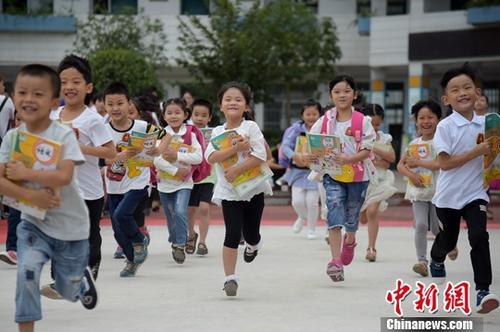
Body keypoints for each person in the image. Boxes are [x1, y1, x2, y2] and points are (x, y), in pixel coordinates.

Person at [0, 64, 98, 332]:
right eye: (22, 92)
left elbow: (64, 176)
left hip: (71, 229)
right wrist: (31, 195)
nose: (28, 99)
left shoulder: (63, 135)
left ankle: (80, 284)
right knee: (26, 275)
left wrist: (26, 172)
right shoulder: (11, 138)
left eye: (38, 94)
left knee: (67, 290)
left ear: (54, 102)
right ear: (13, 97)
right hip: (34, 226)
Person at [430, 63, 498, 314]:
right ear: (446, 98)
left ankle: (483, 291)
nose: (463, 93)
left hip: (475, 193)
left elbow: (494, 154)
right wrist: (477, 152)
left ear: (478, 93)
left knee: (479, 236)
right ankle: (436, 257)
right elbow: (444, 164)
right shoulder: (445, 127)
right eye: (456, 89)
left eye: (467, 87)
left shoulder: (489, 124)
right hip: (447, 197)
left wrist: (491, 166)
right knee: (448, 241)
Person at [48, 54, 116, 281]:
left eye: (75, 82)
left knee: (88, 234)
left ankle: (89, 268)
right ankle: (60, 278)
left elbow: (110, 153)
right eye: (64, 81)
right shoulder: (52, 116)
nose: (69, 87)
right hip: (60, 189)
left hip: (88, 190)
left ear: (88, 87)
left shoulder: (92, 119)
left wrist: (79, 147)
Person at [206, 82, 273, 296]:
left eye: (238, 99)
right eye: (228, 99)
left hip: (253, 188)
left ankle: (254, 245)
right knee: (232, 233)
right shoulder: (217, 131)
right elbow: (210, 157)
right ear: (221, 106)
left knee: (251, 234)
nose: (232, 102)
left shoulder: (250, 128)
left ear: (246, 106)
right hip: (229, 191)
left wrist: (237, 169)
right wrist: (235, 148)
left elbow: (262, 156)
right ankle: (230, 278)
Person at [309, 75, 376, 282]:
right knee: (334, 210)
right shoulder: (325, 121)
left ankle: (351, 239)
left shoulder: (363, 121)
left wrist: (349, 159)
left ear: (355, 95)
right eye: (337, 92)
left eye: (347, 91)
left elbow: (368, 148)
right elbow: (313, 141)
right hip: (333, 176)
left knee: (352, 216)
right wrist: (311, 155)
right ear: (331, 96)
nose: (342, 95)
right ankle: (335, 261)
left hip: (358, 176)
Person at [103, 82, 170, 277]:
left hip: (138, 182)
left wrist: (158, 150)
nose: (115, 108)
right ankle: (132, 259)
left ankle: (140, 240)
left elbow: (165, 136)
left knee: (121, 215)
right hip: (114, 184)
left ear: (128, 104)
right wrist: (122, 155)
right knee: (117, 231)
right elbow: (104, 159)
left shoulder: (141, 126)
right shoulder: (103, 130)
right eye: (110, 104)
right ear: (105, 106)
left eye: (120, 103)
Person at [397, 100, 458, 277]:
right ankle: (422, 261)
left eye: (430, 117)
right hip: (419, 191)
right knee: (421, 225)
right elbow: (401, 165)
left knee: (438, 228)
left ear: (438, 119)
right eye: (421, 117)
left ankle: (450, 243)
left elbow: (441, 164)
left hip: (440, 190)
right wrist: (411, 175)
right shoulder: (413, 143)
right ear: (415, 121)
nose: (426, 121)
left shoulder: (442, 141)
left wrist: (418, 163)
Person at [155, 98, 203, 263]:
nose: (173, 116)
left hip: (185, 183)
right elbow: (156, 159)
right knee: (171, 217)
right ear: (164, 115)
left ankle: (180, 244)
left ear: (185, 115)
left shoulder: (190, 133)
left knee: (181, 211)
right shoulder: (160, 134)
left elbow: (198, 157)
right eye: (169, 113)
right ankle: (175, 238)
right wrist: (176, 171)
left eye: (177, 112)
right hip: (164, 184)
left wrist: (177, 156)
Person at [359, 104, 397, 262]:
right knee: (362, 218)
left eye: (377, 124)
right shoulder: (356, 136)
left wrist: (371, 146)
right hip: (361, 180)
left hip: (380, 180)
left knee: (373, 211)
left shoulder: (384, 138)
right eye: (371, 124)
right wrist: (380, 158)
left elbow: (391, 158)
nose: (374, 127)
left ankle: (371, 248)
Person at [280, 99, 322, 239]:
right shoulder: (295, 130)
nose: (311, 117)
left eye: (314, 114)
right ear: (302, 115)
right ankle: (302, 217)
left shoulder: (323, 129)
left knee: (312, 202)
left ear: (319, 115)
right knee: (297, 201)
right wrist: (295, 156)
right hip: (297, 171)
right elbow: (285, 146)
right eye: (308, 114)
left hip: (315, 171)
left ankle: (312, 229)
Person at [186, 98, 215, 255]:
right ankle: (191, 236)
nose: (199, 118)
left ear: (209, 118)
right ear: (191, 115)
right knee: (189, 209)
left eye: (204, 115)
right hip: (190, 176)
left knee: (204, 208)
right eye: (196, 114)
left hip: (209, 175)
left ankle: (202, 242)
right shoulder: (186, 132)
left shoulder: (215, 133)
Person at [0, 110, 22, 266]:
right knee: (14, 216)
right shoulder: (11, 136)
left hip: (39, 186)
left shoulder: (44, 135)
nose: (22, 122)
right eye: (19, 119)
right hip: (16, 184)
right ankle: (12, 250)